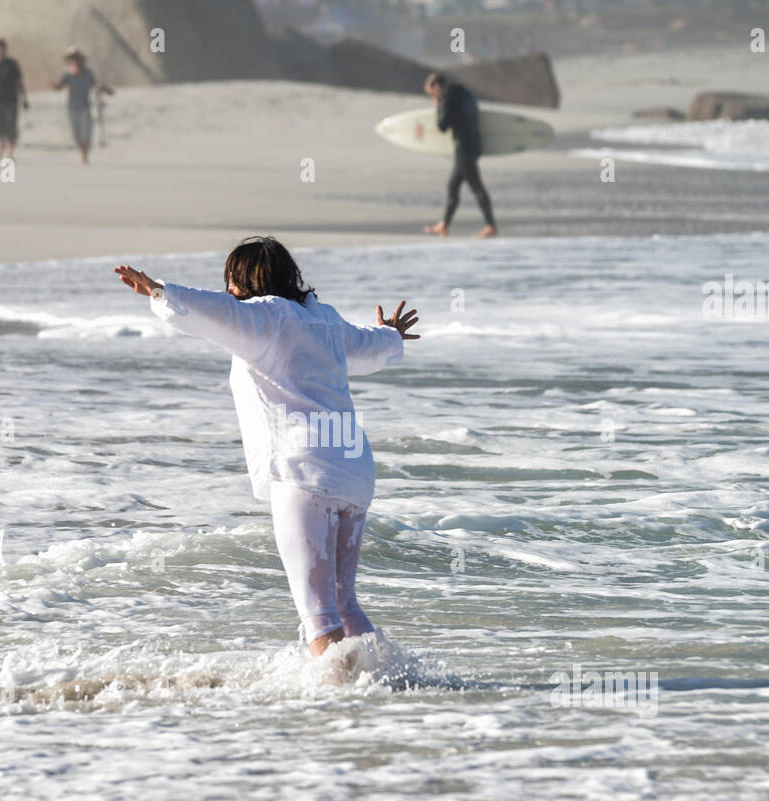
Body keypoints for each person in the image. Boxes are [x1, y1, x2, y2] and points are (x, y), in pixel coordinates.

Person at [113, 238, 420, 657]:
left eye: (232, 282)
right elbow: (367, 348)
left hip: (305, 467)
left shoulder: (267, 317)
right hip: (351, 463)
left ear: (248, 281)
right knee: (345, 605)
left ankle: (341, 711)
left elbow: (209, 310)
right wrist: (391, 335)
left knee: (319, 615)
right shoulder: (324, 320)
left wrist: (159, 290)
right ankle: (387, 686)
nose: (228, 292)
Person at [423, 72, 497, 239]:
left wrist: (438, 105)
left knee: (476, 187)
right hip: (474, 145)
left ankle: (490, 226)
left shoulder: (448, 98)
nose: (433, 96)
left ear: (436, 86)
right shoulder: (465, 93)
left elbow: (442, 125)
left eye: (431, 93)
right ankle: (444, 225)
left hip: (463, 148)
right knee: (453, 186)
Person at [52, 47, 95, 164]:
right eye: (72, 60)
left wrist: (101, 96)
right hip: (72, 108)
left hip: (85, 107)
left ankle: (84, 155)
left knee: (86, 132)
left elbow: (95, 86)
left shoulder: (88, 73)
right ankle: (82, 152)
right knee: (76, 134)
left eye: (76, 59)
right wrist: (54, 86)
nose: (75, 62)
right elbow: (60, 86)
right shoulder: (67, 75)